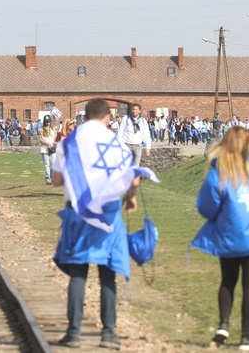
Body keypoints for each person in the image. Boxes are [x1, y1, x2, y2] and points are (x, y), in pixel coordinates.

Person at [51, 99, 150, 350]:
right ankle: (108, 333)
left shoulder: (68, 143)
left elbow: (56, 181)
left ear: (86, 116)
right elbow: (133, 178)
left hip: (78, 211)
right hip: (108, 211)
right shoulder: (116, 142)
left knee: (78, 274)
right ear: (107, 117)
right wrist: (131, 199)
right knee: (108, 272)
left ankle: (74, 333)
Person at [191, 126, 249, 352]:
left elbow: (205, 207)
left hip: (227, 235)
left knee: (227, 280)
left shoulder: (218, 173)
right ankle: (246, 338)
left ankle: (223, 324)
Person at [39, 114, 57, 185]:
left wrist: (52, 143)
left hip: (52, 147)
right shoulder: (41, 130)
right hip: (44, 148)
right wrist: (47, 144)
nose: (47, 123)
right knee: (46, 164)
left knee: (53, 163)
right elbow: (41, 139)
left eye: (48, 121)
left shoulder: (53, 129)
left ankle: (52, 177)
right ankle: (47, 179)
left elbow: (55, 137)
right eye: (46, 122)